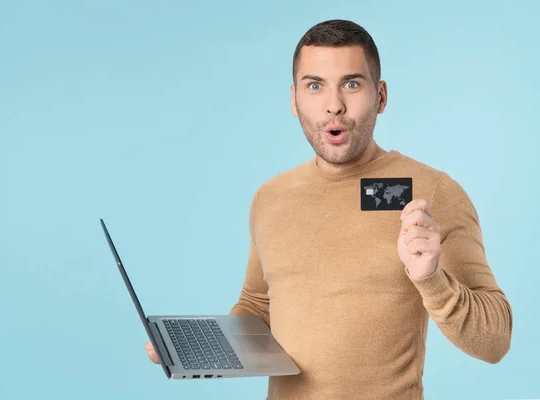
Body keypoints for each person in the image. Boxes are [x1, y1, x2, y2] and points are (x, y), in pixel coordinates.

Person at [145, 19, 513, 399]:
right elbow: (258, 305)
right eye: (315, 86)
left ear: (381, 96)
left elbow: (495, 341)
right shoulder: (270, 197)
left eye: (352, 84)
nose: (333, 105)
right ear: (294, 100)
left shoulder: (430, 191)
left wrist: (431, 278)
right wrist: (194, 349)